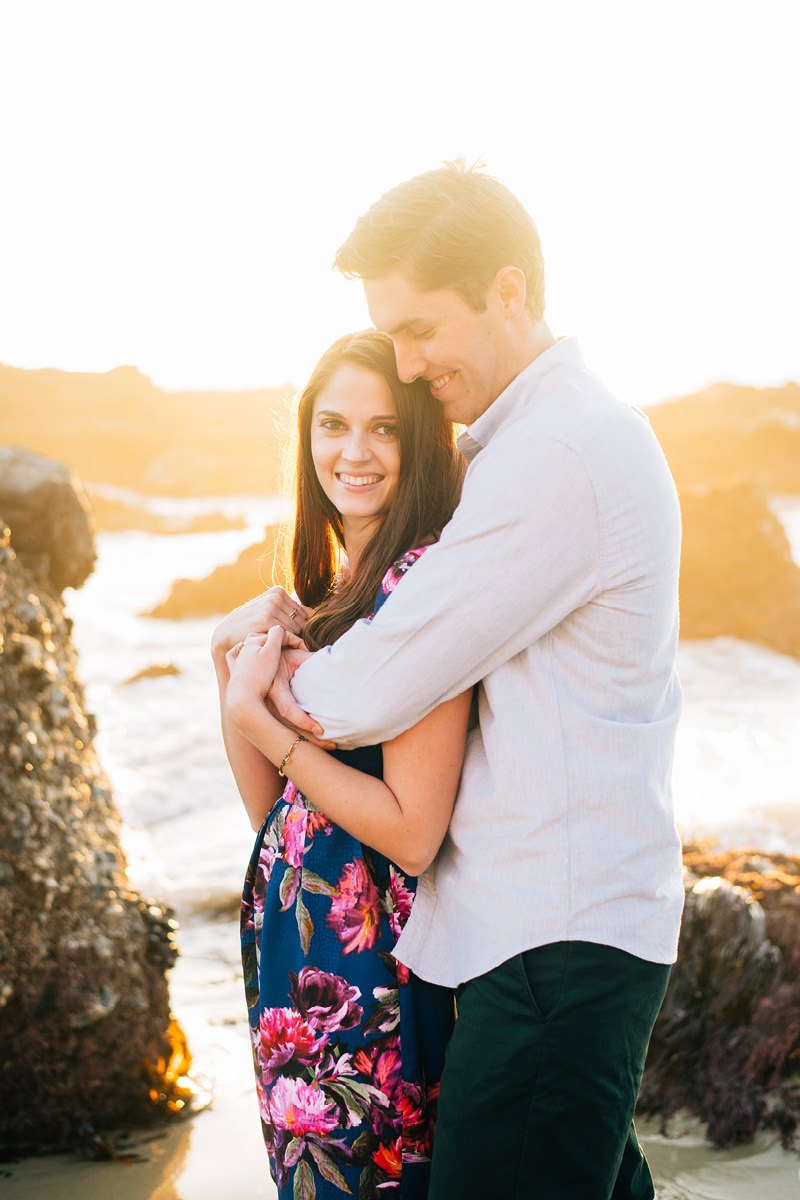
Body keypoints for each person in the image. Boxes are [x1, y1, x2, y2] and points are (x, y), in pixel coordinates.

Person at [266, 162, 685, 1200]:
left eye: (418, 328)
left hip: (556, 940)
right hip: (549, 934)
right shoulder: (533, 444)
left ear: (507, 291)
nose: (404, 366)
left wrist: (263, 680)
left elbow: (363, 691)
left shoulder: (557, 452)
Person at [211, 330, 470, 1200]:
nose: (353, 453)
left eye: (384, 429)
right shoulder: (329, 595)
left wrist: (265, 722)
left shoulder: (419, 586)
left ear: (420, 443)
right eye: (332, 425)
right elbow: (275, 813)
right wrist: (226, 664)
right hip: (297, 948)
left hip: (370, 978)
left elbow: (413, 831)